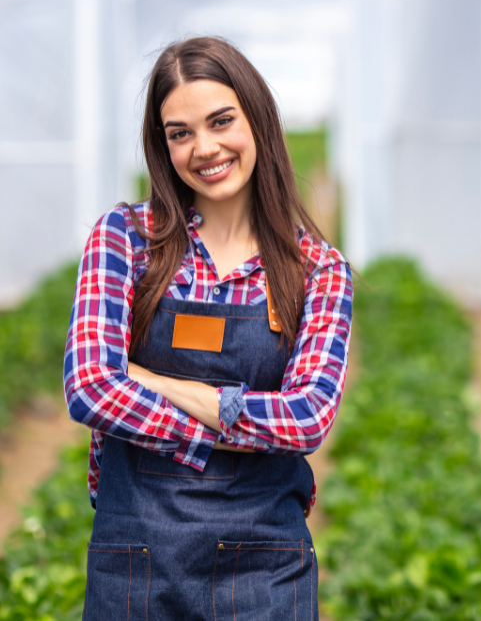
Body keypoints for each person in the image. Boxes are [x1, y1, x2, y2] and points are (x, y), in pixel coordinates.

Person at [63, 36, 352, 620]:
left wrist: (160, 384)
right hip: (137, 561)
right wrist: (221, 431)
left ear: (259, 121)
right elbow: (91, 387)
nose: (205, 147)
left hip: (265, 565)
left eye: (222, 121)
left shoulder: (316, 269)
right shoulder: (126, 239)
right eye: (180, 132)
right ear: (161, 145)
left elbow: (307, 419)